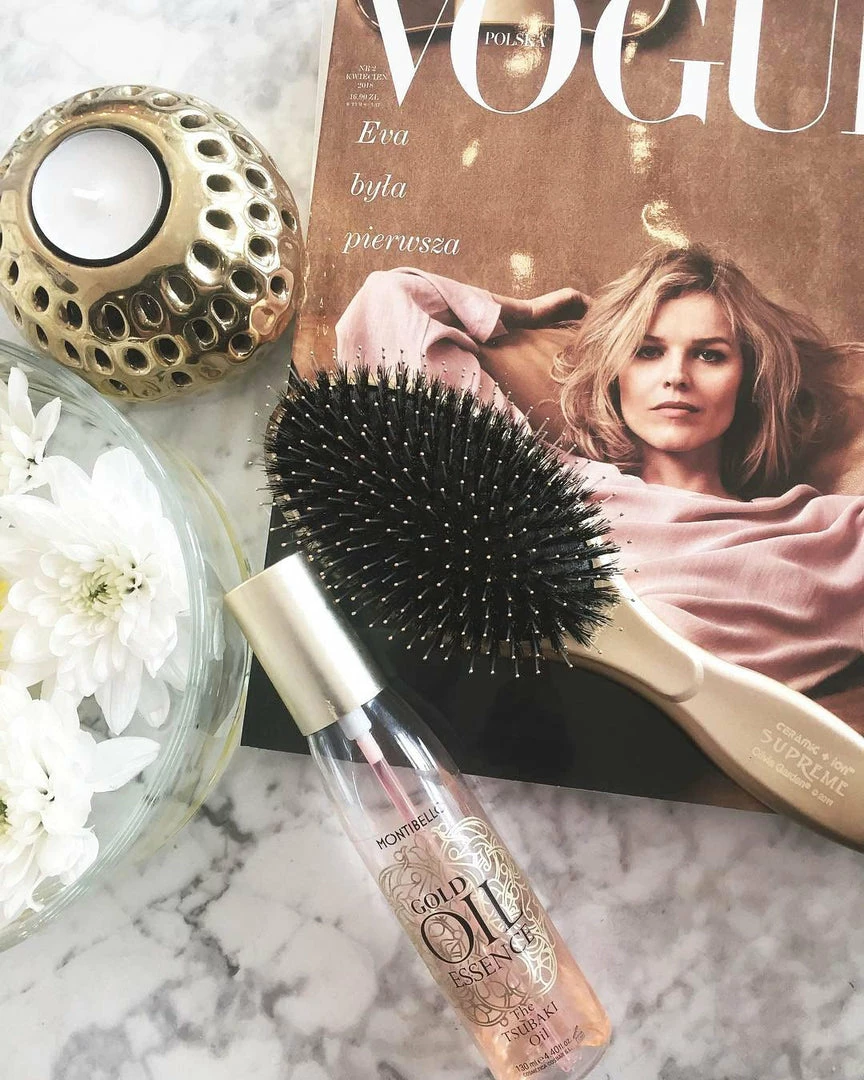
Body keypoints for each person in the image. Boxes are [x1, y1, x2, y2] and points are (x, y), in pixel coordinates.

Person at [335, 247, 864, 695]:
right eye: (647, 352)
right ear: (616, 375)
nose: (676, 377)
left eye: (709, 355)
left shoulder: (823, 535)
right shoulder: (553, 485)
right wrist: (521, 311)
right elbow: (388, 304)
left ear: (748, 380)